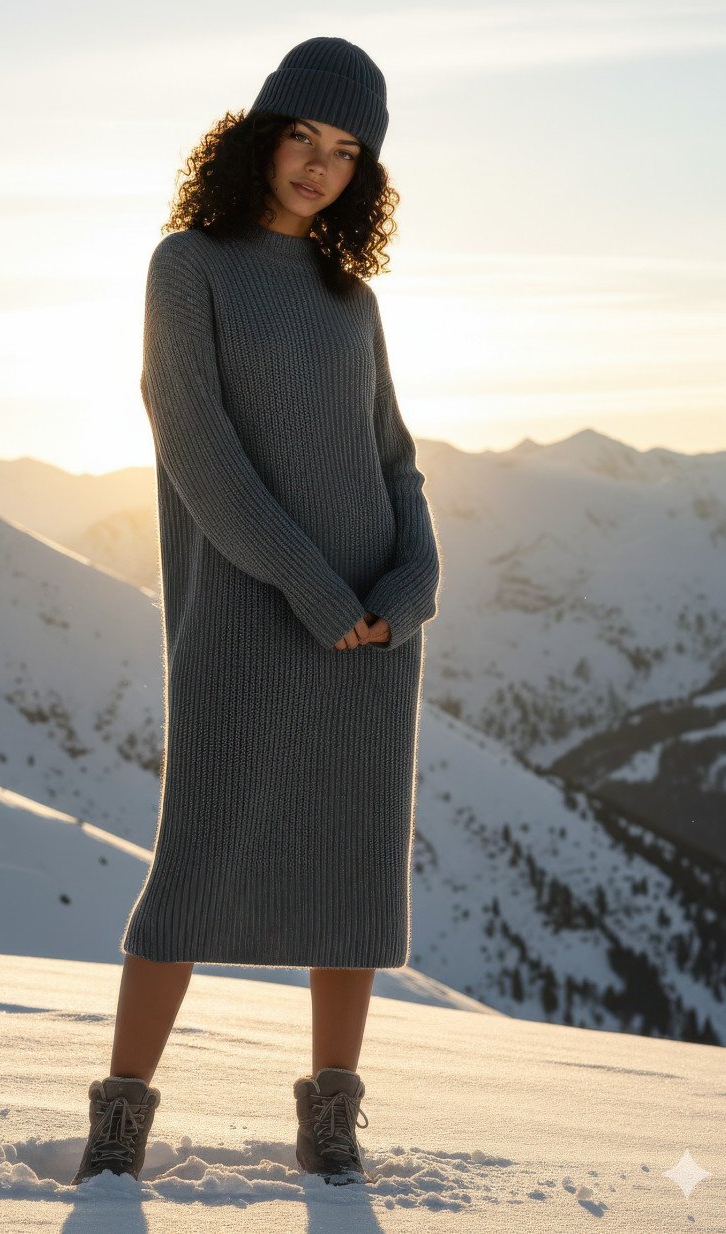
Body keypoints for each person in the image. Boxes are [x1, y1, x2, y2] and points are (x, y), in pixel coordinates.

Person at [71, 35, 442, 1189]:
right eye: (303, 136)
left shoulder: (351, 295)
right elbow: (198, 451)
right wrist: (313, 590)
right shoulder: (188, 265)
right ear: (257, 133)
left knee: (351, 874)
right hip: (250, 611)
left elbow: (396, 460)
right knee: (198, 860)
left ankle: (331, 1118)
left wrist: (413, 580)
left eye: (346, 151)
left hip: (374, 629)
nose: (319, 165)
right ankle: (120, 1117)